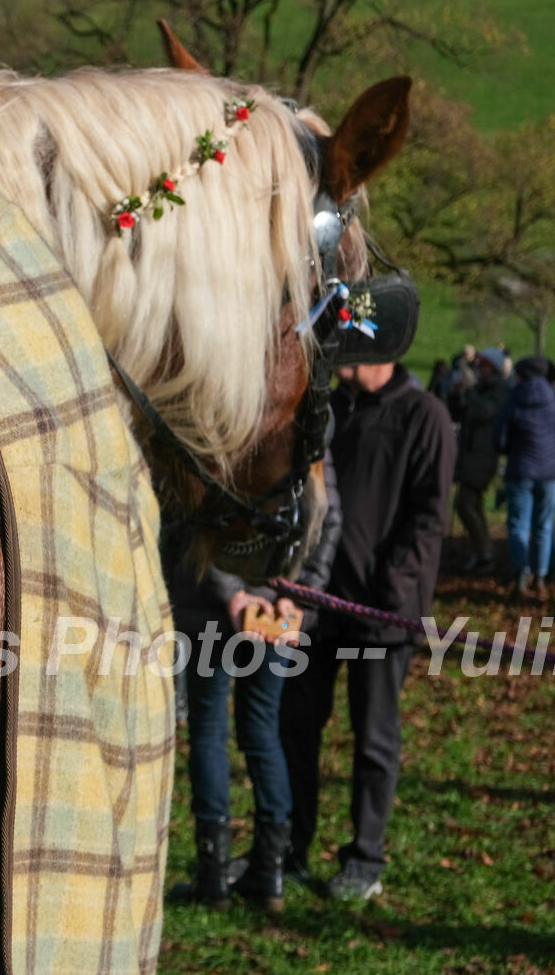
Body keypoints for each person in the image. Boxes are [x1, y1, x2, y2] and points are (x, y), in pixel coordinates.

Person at [278, 361, 454, 904]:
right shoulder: (333, 409)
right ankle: (289, 846)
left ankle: (366, 856)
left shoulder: (425, 415)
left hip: (382, 615)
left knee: (374, 739)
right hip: (319, 608)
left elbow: (429, 516)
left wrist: (391, 587)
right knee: (297, 727)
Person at [161, 466, 341, 913]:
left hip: (229, 608)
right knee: (257, 731)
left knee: (213, 730)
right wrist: (292, 594)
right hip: (253, 609)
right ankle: (263, 875)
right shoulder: (301, 416)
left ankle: (221, 875)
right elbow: (327, 517)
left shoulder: (229, 410)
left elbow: (200, 511)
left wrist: (274, 596)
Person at [496, 355, 555, 595]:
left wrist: (510, 449)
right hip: (550, 472)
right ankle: (540, 576)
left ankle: (522, 573)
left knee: (519, 524)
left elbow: (499, 438)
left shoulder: (513, 399)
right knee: (544, 525)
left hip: (520, 470)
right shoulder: (552, 399)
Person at [455, 348, 510, 573]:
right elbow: (462, 413)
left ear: (493, 369)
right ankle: (483, 550)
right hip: (472, 455)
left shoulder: (500, 391)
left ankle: (485, 552)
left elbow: (486, 412)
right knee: (473, 503)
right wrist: (458, 393)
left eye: (483, 367)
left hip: (483, 456)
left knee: (464, 504)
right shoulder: (483, 389)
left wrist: (470, 394)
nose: (479, 371)